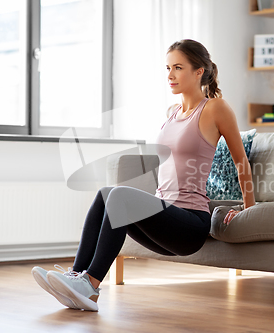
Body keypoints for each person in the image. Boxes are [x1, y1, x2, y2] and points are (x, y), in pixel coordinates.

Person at [31, 39, 256, 312]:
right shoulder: (172, 113)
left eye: (178, 68)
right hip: (165, 217)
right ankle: (76, 278)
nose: (170, 75)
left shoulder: (215, 108)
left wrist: (249, 208)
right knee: (105, 194)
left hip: (190, 224)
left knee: (120, 195)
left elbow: (240, 159)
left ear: (199, 71)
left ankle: (90, 284)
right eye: (168, 68)